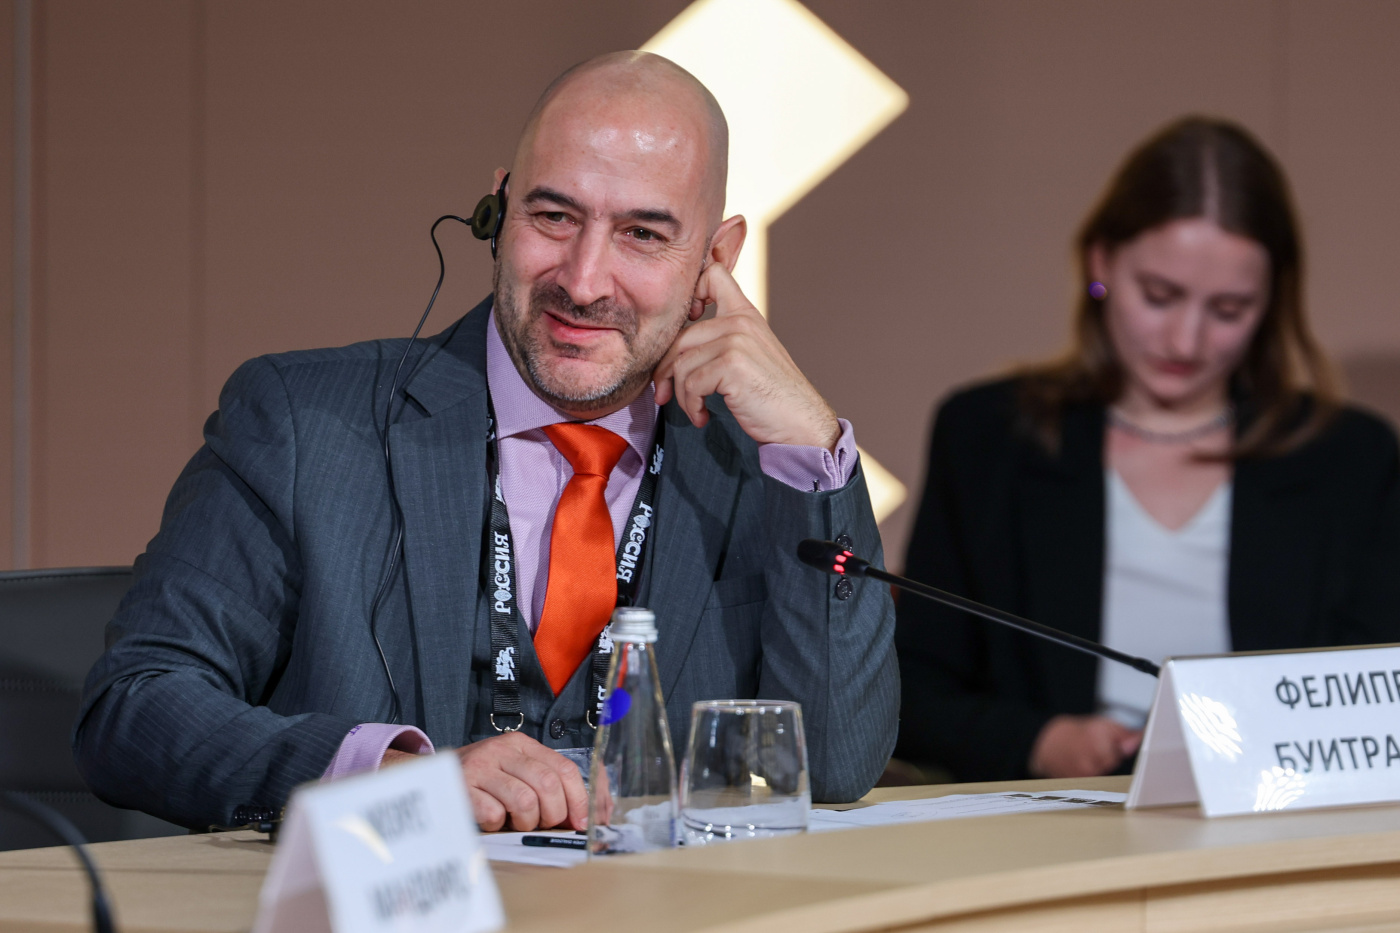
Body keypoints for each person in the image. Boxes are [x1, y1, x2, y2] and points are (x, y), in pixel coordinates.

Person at [74, 51, 898, 831]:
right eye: (554, 216)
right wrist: (387, 775)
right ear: (497, 213)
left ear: (716, 257)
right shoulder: (301, 422)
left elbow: (832, 764)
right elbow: (136, 708)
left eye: (643, 234)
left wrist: (810, 445)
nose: (583, 281)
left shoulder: (771, 474)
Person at [895, 117, 1400, 783]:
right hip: (1052, 817)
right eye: (1160, 296)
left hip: (1278, 820)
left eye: (1229, 310)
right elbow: (913, 691)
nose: (1186, 341)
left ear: (1271, 301)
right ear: (1100, 263)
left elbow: (1375, 699)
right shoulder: (987, 436)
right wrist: (1039, 741)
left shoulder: (1351, 457)